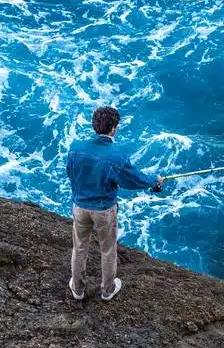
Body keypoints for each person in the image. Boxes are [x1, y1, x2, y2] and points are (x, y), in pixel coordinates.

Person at [66, 106, 164, 301]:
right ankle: (108, 290)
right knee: (108, 250)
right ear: (113, 128)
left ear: (94, 125)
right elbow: (134, 180)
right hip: (104, 210)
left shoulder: (75, 147)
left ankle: (77, 289)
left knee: (79, 248)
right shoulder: (116, 156)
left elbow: (71, 172)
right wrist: (155, 181)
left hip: (80, 207)